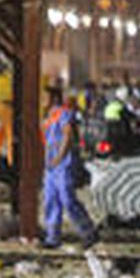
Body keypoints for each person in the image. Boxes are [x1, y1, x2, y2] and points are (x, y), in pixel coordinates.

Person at [40, 86, 96, 249]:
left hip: (63, 164)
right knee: (51, 200)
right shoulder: (48, 117)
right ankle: (52, 237)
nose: (42, 101)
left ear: (54, 98)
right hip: (50, 165)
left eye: (45, 97)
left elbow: (68, 135)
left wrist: (60, 156)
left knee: (67, 199)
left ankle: (88, 231)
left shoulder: (63, 114)